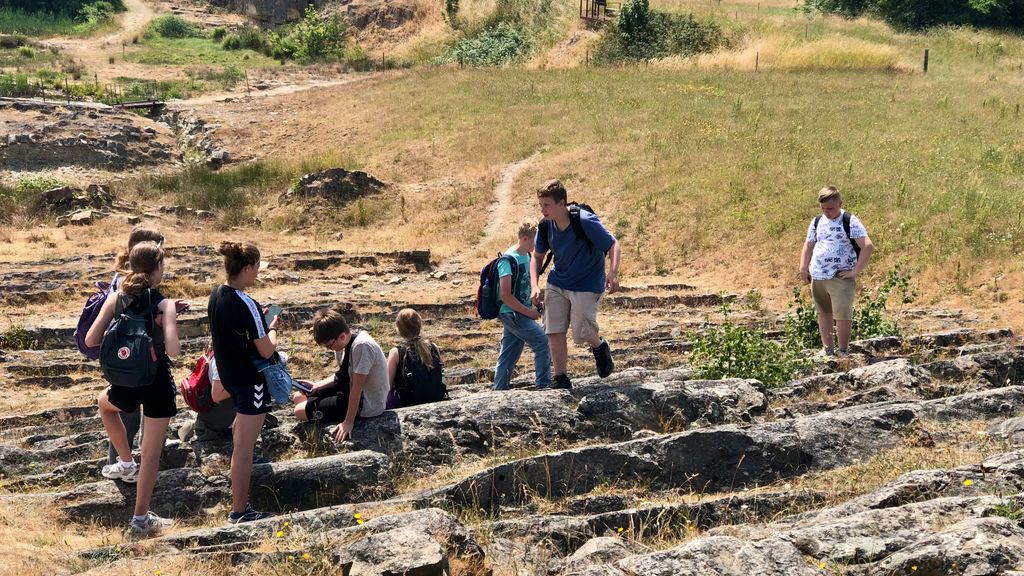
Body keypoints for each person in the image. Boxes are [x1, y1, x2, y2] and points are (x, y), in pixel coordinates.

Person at [84, 241, 180, 538]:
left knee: (105, 405)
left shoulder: (116, 298)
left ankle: (125, 462)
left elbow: (90, 341)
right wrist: (167, 323)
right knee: (150, 454)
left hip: (125, 381)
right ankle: (140, 519)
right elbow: (174, 351)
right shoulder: (164, 304)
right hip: (156, 383)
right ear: (159, 268)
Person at [207, 241, 279, 524]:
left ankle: (240, 501)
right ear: (248, 268)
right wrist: (272, 329)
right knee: (245, 448)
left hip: (230, 376)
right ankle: (239, 511)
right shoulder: (246, 302)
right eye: (257, 268)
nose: (258, 274)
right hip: (250, 380)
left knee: (241, 436)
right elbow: (266, 350)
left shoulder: (216, 295)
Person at [530, 179, 621, 390]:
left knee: (582, 333)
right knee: (553, 329)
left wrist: (613, 273)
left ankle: (599, 346)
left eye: (547, 205)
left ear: (562, 204)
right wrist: (535, 286)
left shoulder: (584, 220)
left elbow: (613, 244)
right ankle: (560, 378)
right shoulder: (545, 226)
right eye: (540, 205)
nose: (542, 209)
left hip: (587, 283)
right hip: (558, 282)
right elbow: (537, 257)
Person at [105, 225, 165, 468]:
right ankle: (133, 466)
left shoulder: (126, 280)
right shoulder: (126, 284)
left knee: (125, 413)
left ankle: (126, 464)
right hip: (137, 360)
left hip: (124, 358)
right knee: (130, 416)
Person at [293, 308, 389, 443]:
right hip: (347, 391)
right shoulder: (342, 344)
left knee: (299, 411)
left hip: (365, 404)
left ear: (342, 336)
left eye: (329, 345)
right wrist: (317, 386)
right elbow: (342, 375)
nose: (329, 349)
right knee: (299, 396)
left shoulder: (362, 346)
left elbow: (357, 387)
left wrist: (348, 422)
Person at [799, 186, 874, 356]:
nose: (827, 212)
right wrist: (803, 267)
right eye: (823, 208)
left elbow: (868, 246)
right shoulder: (817, 221)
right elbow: (809, 245)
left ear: (840, 204)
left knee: (842, 314)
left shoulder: (849, 220)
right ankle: (827, 350)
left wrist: (855, 271)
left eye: (830, 208)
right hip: (818, 274)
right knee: (823, 313)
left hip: (839, 276)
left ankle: (843, 350)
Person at [493, 222, 551, 391]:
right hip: (513, 314)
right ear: (525, 239)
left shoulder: (527, 256)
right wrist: (529, 313)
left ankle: (499, 391)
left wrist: (533, 300)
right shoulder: (508, 259)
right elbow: (505, 296)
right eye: (536, 239)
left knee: (509, 355)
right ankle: (543, 385)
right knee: (543, 341)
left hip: (519, 312)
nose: (539, 243)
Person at [387, 308, 446, 404]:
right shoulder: (434, 347)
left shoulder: (396, 353)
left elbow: (386, 386)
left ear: (399, 329)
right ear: (419, 325)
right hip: (436, 400)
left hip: (408, 404)